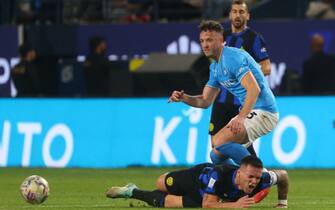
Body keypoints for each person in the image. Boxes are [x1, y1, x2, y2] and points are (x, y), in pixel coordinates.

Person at [168, 20, 278, 166]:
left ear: (221, 41)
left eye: (209, 40)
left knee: (219, 141)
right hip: (253, 111)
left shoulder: (232, 57)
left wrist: (240, 118)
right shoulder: (215, 67)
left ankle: (261, 179)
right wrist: (184, 98)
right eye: (202, 41)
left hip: (264, 111)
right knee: (216, 154)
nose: (205, 45)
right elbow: (205, 101)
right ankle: (265, 177)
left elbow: (254, 89)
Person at [209, 0, 272, 157]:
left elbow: (267, 67)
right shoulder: (223, 37)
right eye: (235, 11)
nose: (238, 15)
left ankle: (256, 173)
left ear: (248, 16)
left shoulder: (254, 38)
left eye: (241, 12)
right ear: (230, 14)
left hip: (241, 102)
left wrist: (244, 76)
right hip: (221, 101)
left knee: (239, 143)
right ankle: (235, 178)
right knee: (216, 146)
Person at [106, 156, 289, 208]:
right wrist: (235, 205)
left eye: (257, 178)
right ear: (239, 173)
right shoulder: (220, 174)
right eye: (250, 177)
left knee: (166, 203)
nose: (254, 182)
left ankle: (132, 191)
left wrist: (282, 202)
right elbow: (209, 205)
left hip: (203, 198)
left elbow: (283, 175)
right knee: (161, 182)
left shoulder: (262, 179)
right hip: (196, 180)